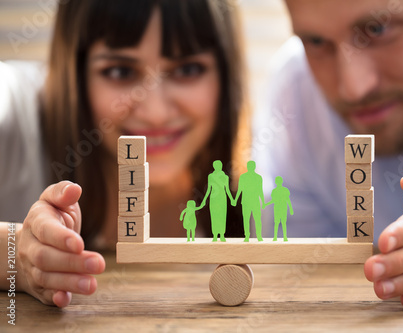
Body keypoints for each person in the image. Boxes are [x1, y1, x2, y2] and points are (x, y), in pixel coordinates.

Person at [254, 0, 403, 309]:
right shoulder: (294, 100)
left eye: (377, 28)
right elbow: (304, 291)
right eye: (316, 41)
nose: (353, 89)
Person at [0, 0, 246, 307]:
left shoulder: (257, 200)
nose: (155, 113)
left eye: (187, 69)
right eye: (120, 71)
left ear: (225, 74)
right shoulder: (11, 108)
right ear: (74, 72)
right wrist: (10, 253)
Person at [201, 160, 235, 242]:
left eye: (219, 165)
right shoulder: (211, 176)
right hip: (213, 198)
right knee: (214, 217)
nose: (217, 167)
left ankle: (222, 234)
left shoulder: (225, 177)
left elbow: (227, 189)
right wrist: (204, 200)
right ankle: (215, 235)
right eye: (216, 165)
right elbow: (209, 189)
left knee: (222, 216)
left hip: (222, 198)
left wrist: (231, 199)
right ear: (214, 166)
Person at [232, 161, 265, 242]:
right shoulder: (243, 177)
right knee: (246, 220)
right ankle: (247, 236)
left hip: (255, 201)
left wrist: (263, 202)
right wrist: (235, 200)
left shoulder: (258, 178)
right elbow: (240, 190)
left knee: (257, 219)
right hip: (246, 201)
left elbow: (260, 190)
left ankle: (258, 235)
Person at [264, 176, 294, 242]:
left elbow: (287, 200)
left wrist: (291, 209)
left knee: (283, 223)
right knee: (277, 223)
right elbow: (273, 200)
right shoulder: (274, 191)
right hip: (277, 209)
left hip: (283, 208)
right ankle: (275, 237)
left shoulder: (285, 190)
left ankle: (285, 237)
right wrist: (266, 204)